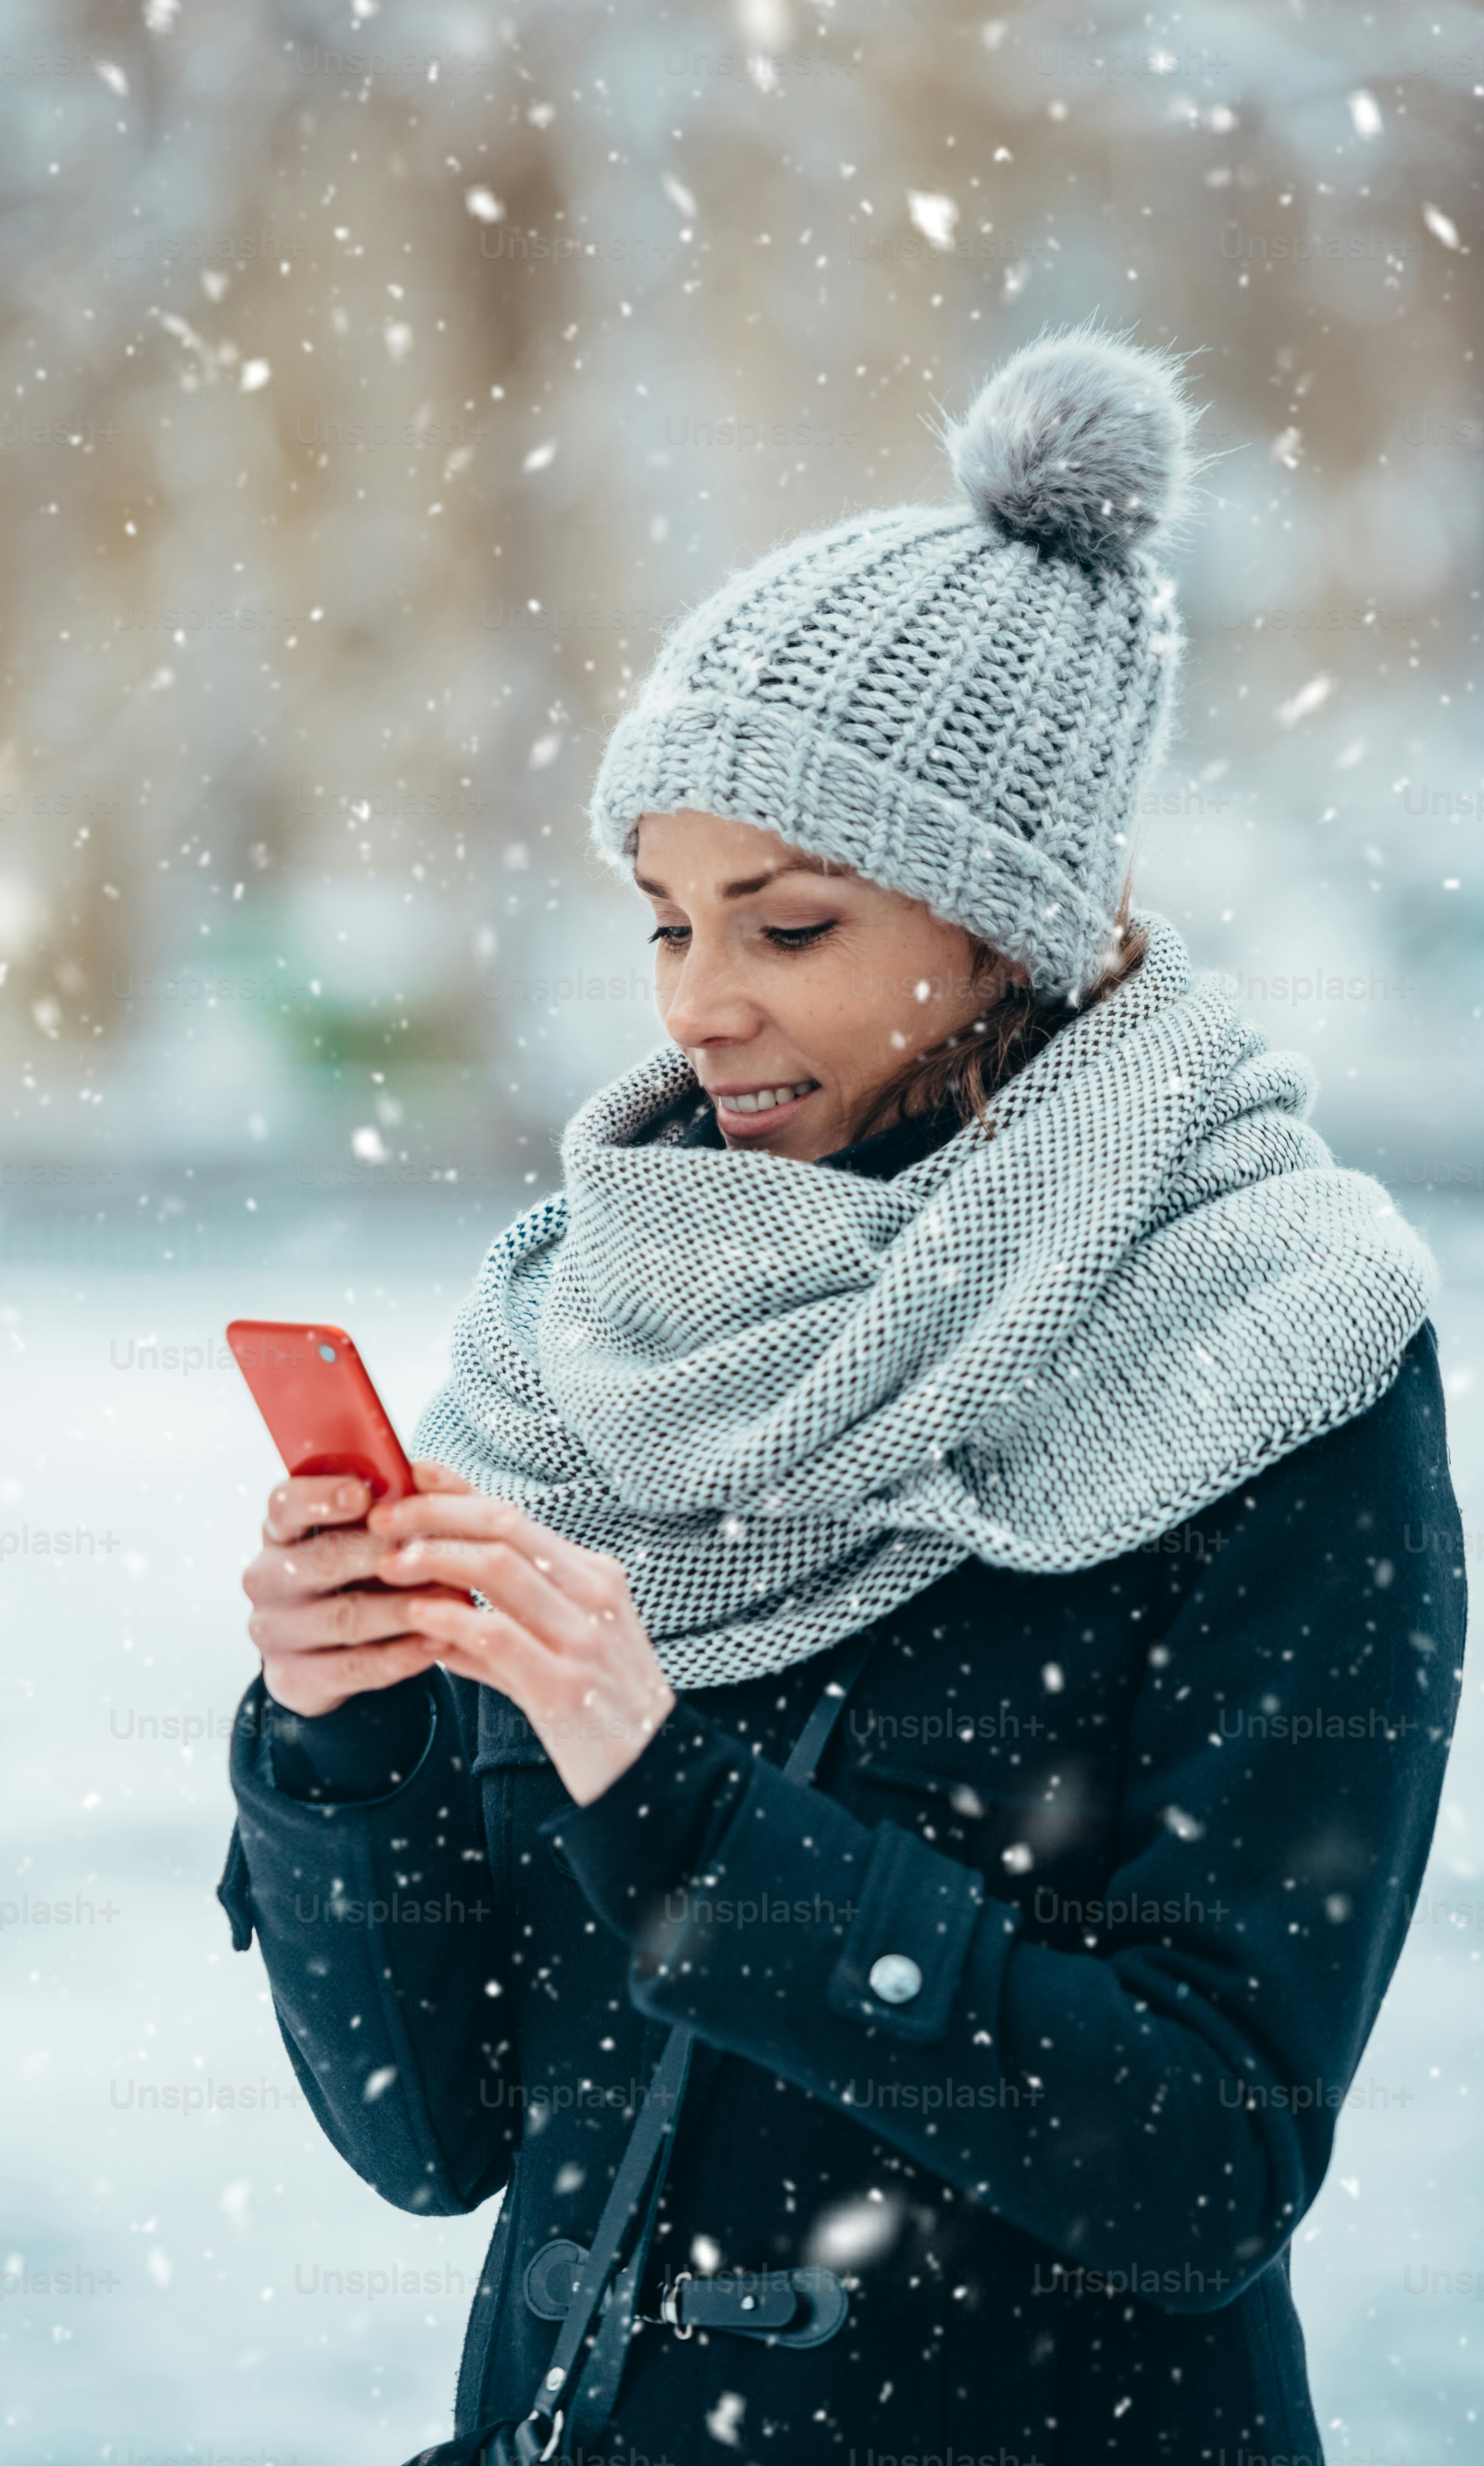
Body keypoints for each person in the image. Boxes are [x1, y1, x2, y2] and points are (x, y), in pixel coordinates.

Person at [218, 330, 1465, 2464]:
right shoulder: (590, 1354)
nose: (702, 1005)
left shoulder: (1281, 1353)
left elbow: (1208, 2164)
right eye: (666, 922)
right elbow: (436, 2135)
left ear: (1003, 928)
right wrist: (336, 1749)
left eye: (788, 925)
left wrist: (681, 1803)